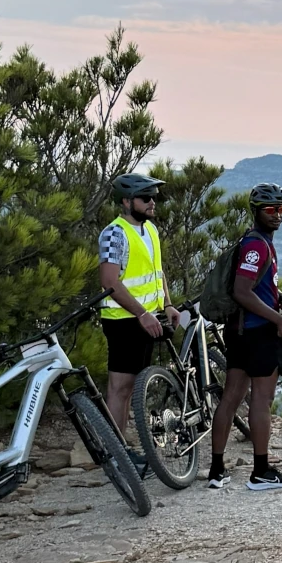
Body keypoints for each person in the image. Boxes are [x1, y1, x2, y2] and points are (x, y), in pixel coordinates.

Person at [206, 183, 282, 491]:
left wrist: (281, 296)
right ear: (257, 211)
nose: (277, 216)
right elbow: (242, 291)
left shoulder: (252, 241)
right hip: (259, 334)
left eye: (281, 210)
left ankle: (216, 470)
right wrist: (277, 320)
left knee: (231, 398)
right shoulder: (258, 245)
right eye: (271, 210)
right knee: (261, 401)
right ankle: (261, 472)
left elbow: (256, 285)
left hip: (239, 332)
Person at [98, 172, 181, 459]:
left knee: (133, 386)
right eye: (146, 198)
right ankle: (115, 453)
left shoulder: (151, 231)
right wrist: (143, 314)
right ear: (126, 201)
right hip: (123, 321)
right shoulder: (115, 234)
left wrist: (167, 305)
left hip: (146, 318)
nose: (152, 203)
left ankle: (121, 447)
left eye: (154, 198)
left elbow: (158, 273)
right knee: (119, 388)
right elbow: (110, 283)